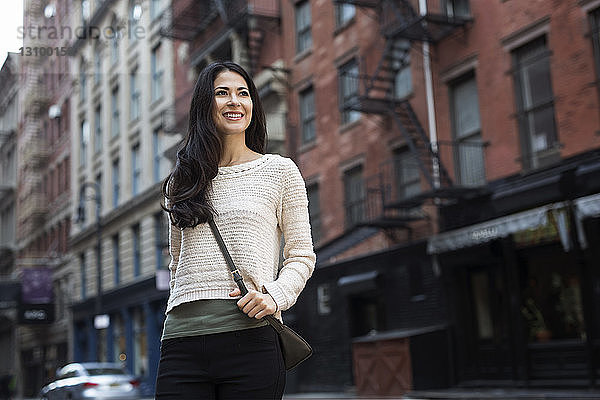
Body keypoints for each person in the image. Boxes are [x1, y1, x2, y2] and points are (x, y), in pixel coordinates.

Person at [155, 61, 316, 399]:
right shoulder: (182, 181)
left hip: (251, 338)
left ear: (253, 106)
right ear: (205, 105)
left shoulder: (279, 171)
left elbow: (301, 255)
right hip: (180, 341)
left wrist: (275, 296)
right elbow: (176, 263)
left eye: (243, 93)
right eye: (222, 93)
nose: (235, 101)